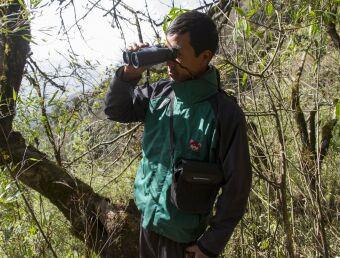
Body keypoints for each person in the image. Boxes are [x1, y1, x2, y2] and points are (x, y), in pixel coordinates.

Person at [104, 10, 252, 258]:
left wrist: (210, 245)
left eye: (176, 54)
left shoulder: (224, 114)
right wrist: (129, 73)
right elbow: (115, 110)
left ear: (205, 56)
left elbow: (237, 187)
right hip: (146, 222)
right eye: (166, 52)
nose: (168, 62)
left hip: (182, 240)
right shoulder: (160, 93)